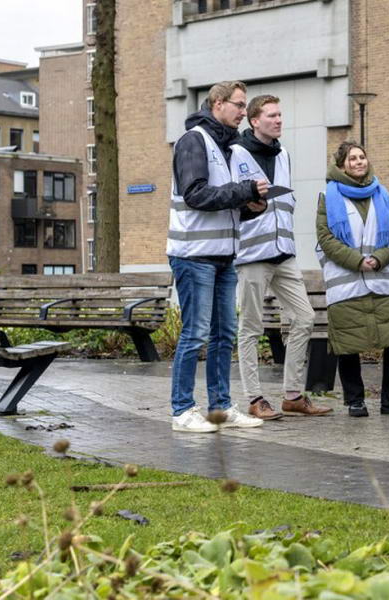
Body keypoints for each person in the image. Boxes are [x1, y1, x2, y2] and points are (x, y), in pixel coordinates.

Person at [167, 80, 269, 433]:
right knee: (195, 334)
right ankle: (182, 410)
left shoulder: (230, 148)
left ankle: (221, 406)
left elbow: (225, 205)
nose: (244, 112)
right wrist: (242, 191)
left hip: (224, 256)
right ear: (218, 104)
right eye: (239, 106)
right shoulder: (194, 141)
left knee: (224, 333)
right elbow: (195, 194)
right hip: (194, 256)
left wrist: (251, 206)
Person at [231, 94, 331, 419]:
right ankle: (255, 398)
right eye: (271, 116)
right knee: (250, 326)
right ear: (254, 120)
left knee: (304, 317)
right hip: (252, 254)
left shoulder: (284, 154)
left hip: (284, 253)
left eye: (280, 115)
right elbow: (229, 200)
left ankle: (292, 395)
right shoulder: (237, 153)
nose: (278, 121)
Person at [316, 141, 389, 418]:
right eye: (352, 159)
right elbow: (325, 238)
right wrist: (357, 261)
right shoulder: (328, 196)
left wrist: (379, 258)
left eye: (362, 157)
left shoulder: (381, 193)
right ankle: (355, 400)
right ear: (341, 165)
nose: (359, 162)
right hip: (346, 281)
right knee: (348, 344)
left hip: (379, 279)